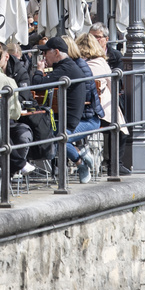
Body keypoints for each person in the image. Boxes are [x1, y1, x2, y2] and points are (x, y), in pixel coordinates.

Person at [44, 36, 100, 183]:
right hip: (73, 117)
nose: (44, 56)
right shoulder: (68, 66)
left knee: (59, 138)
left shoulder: (74, 67)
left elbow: (85, 99)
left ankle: (80, 161)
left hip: (87, 118)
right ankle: (80, 153)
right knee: (51, 134)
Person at [0, 40, 32, 178]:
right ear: (4, 58)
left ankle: (16, 167)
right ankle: (15, 168)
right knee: (7, 132)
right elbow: (15, 114)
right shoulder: (9, 82)